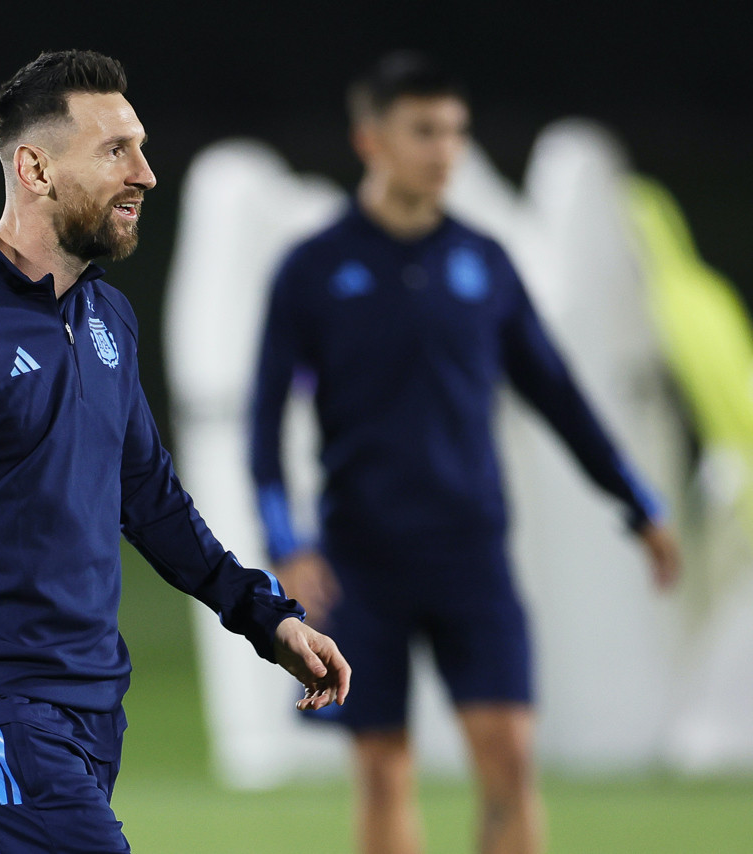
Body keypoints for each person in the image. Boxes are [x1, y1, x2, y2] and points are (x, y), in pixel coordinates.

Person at [0, 49, 350, 853]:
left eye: (141, 147)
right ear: (35, 168)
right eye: (115, 151)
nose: (145, 174)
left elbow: (150, 499)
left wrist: (266, 619)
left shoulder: (106, 319)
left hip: (92, 711)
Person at [250, 52, 680, 854]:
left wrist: (640, 506)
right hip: (360, 560)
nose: (443, 150)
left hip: (472, 554)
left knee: (511, 758)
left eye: (454, 132)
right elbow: (263, 427)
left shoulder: (483, 262)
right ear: (369, 139)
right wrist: (288, 543)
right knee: (382, 766)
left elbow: (561, 400)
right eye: (423, 131)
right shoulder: (312, 271)